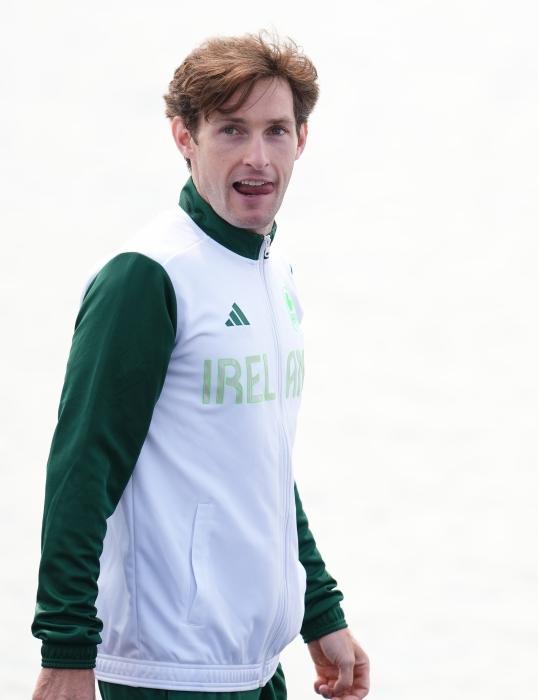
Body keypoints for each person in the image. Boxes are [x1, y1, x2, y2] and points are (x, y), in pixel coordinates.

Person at [31, 33, 369, 700]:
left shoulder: (272, 269)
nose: (257, 158)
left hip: (254, 666)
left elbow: (260, 461)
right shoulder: (147, 276)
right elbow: (81, 469)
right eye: (231, 130)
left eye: (275, 131)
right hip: (164, 672)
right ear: (184, 137)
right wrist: (66, 650)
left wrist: (319, 610)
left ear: (302, 139)